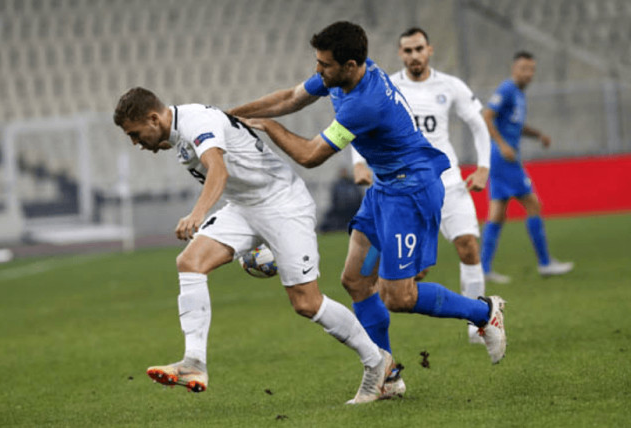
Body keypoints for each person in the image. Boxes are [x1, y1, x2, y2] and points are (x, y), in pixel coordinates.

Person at [229, 21, 507, 400]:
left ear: (349, 64)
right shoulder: (344, 75)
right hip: (386, 189)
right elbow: (290, 97)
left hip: (412, 192)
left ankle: (484, 311)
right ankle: (388, 376)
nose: (318, 71)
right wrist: (228, 116)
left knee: (399, 296)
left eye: (325, 65)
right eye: (318, 62)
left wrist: (268, 127)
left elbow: (311, 156)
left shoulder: (365, 103)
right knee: (356, 281)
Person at [113, 87, 394, 404]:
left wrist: (198, 213)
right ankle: (194, 362)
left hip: (283, 204)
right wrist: (161, 141)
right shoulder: (179, 130)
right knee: (190, 262)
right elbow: (191, 145)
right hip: (243, 208)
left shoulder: (195, 122)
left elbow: (218, 169)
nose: (136, 143)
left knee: (306, 303)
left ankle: (377, 362)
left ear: (154, 117)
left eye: (135, 135)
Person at [350, 27, 491, 344]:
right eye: (407, 50)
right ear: (400, 54)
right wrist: (357, 162)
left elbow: (478, 125)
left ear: (430, 50)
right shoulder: (386, 86)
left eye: (419, 49)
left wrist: (484, 167)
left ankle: (479, 326)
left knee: (468, 246)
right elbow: (360, 123)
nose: (414, 56)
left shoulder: (450, 86)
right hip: (403, 189)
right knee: (397, 275)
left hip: (448, 181)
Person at [481, 51, 574, 284]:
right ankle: (545, 263)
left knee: (497, 213)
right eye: (524, 68)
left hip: (504, 157)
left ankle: (482, 268)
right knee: (533, 204)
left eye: (532, 69)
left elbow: (516, 125)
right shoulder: (507, 89)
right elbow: (487, 115)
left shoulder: (519, 96)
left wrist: (538, 135)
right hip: (504, 158)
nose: (528, 74)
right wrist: (502, 145)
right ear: (514, 69)